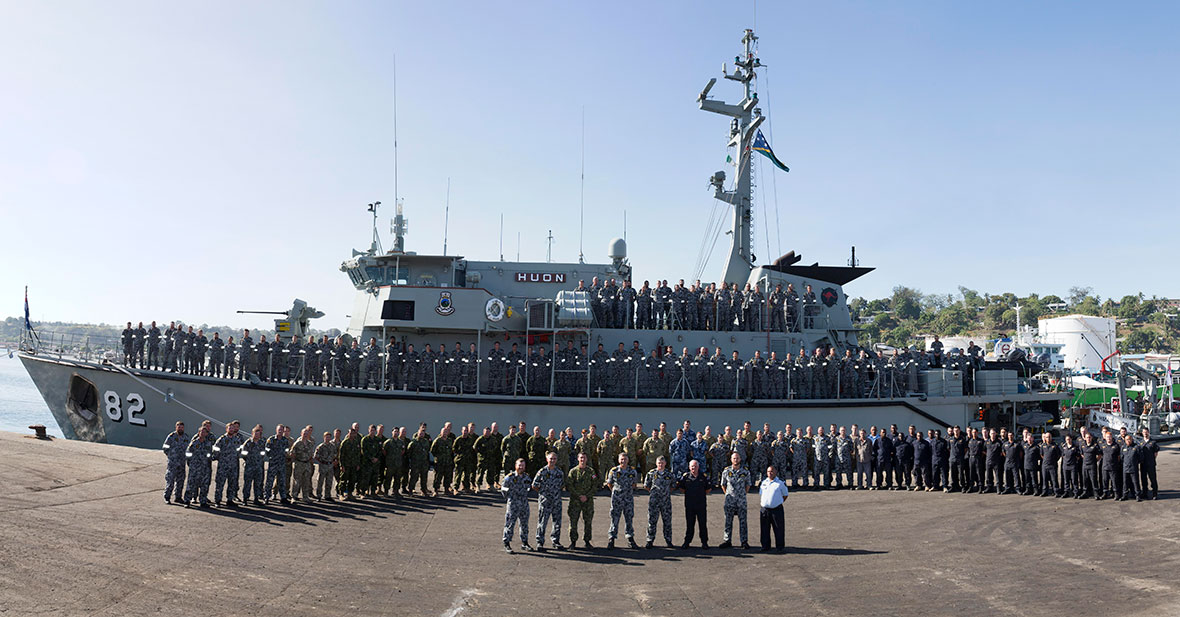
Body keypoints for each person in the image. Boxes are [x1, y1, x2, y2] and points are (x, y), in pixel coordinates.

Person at [532, 452, 566, 551]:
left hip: (556, 501)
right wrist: (543, 493)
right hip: (545, 501)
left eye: (554, 459)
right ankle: (540, 542)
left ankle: (555, 541)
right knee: (542, 522)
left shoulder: (559, 472)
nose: (552, 461)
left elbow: (562, 485)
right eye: (551, 459)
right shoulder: (542, 471)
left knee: (557, 522)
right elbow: (534, 485)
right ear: (547, 459)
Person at [604, 452, 640, 549]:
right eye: (621, 459)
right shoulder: (614, 471)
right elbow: (609, 484)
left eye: (625, 459)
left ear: (628, 460)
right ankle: (611, 538)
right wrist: (616, 491)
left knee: (629, 518)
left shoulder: (632, 471)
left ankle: (630, 538)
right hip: (617, 499)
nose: (623, 461)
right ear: (618, 460)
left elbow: (634, 484)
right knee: (614, 518)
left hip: (628, 499)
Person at [501, 458, 534, 553]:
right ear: (515, 466)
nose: (521, 467)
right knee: (510, 524)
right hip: (513, 505)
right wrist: (510, 499)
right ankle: (507, 543)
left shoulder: (527, 478)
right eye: (519, 465)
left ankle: (525, 543)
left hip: (524, 504)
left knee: (524, 525)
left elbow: (529, 489)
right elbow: (503, 490)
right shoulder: (509, 477)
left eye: (523, 466)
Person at [719, 451, 751, 549]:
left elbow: (748, 485)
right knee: (728, 521)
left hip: (741, 501)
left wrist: (742, 494)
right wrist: (728, 494)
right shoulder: (726, 471)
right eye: (734, 458)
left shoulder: (745, 471)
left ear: (740, 459)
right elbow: (723, 484)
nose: (736, 460)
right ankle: (727, 540)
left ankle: (744, 541)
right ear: (731, 460)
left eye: (737, 458)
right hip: (730, 501)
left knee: (743, 522)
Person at [643, 456, 676, 549]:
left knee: (667, 521)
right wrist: (654, 493)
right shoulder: (651, 473)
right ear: (656, 463)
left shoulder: (669, 474)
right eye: (659, 463)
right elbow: (646, 485)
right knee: (652, 521)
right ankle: (650, 540)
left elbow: (673, 486)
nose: (660, 465)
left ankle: (668, 540)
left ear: (665, 463)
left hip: (666, 501)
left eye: (662, 463)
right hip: (654, 501)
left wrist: (665, 492)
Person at [567, 452, 597, 549]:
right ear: (578, 459)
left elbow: (595, 484)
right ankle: (573, 542)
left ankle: (587, 541)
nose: (582, 460)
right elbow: (569, 485)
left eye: (584, 458)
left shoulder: (591, 471)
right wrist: (579, 495)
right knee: (573, 521)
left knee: (588, 521)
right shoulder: (573, 471)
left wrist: (587, 496)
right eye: (581, 458)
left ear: (587, 459)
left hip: (588, 501)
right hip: (575, 500)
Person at [678, 459, 710, 548]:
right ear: (689, 467)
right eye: (692, 466)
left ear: (698, 467)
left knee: (702, 524)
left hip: (701, 504)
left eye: (695, 466)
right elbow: (681, 488)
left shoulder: (703, 476)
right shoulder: (685, 477)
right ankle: (687, 542)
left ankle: (704, 542)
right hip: (690, 505)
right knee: (690, 524)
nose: (694, 468)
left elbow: (708, 489)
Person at [211, 420, 245, 506]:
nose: (231, 430)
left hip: (233, 465)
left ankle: (230, 500)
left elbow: (240, 449)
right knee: (220, 484)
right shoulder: (222, 439)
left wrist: (238, 456)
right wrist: (218, 458)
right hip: (223, 465)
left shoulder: (237, 439)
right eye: (230, 428)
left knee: (232, 483)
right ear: (226, 429)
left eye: (233, 428)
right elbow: (215, 449)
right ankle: (217, 500)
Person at [758, 465, 789, 552]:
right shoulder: (763, 482)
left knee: (778, 529)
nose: (770, 473)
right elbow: (761, 494)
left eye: (772, 471)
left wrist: (777, 502)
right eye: (768, 471)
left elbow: (785, 495)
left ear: (776, 472)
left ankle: (779, 547)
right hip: (765, 510)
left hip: (776, 509)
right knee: (764, 529)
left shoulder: (780, 483)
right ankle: (765, 546)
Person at [239, 424, 266, 505]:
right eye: (255, 433)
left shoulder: (261, 443)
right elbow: (243, 454)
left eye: (258, 434)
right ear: (252, 433)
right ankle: (245, 499)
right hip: (249, 467)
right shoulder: (248, 443)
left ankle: (256, 499)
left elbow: (263, 453)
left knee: (257, 483)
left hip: (258, 466)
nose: (256, 435)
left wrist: (258, 460)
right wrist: (249, 461)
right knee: (247, 483)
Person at [161, 421, 188, 504]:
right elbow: (165, 447)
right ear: (176, 427)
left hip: (182, 463)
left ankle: (178, 497)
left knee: (180, 481)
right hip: (173, 463)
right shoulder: (171, 436)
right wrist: (171, 456)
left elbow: (188, 448)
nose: (180, 429)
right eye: (179, 427)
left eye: (182, 427)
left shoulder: (186, 437)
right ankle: (167, 497)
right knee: (170, 481)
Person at [264, 424, 291, 504]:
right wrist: (272, 457)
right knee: (269, 482)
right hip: (273, 464)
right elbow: (267, 450)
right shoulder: (271, 439)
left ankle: (283, 497)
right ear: (276, 430)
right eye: (279, 430)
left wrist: (285, 456)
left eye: (282, 430)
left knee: (282, 481)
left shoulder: (285, 440)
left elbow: (287, 450)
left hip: (282, 464)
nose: (280, 431)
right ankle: (266, 497)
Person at [290, 425, 317, 503]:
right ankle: (294, 497)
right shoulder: (297, 443)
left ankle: (305, 497)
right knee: (297, 481)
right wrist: (296, 461)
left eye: (306, 433)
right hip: (299, 464)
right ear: (301, 434)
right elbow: (292, 453)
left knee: (306, 481)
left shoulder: (310, 443)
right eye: (304, 433)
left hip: (307, 464)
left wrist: (310, 461)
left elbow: (311, 453)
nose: (305, 434)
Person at [314, 431, 338, 501]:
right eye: (326, 437)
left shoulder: (332, 446)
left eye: (329, 437)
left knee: (329, 481)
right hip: (323, 465)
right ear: (324, 437)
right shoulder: (321, 446)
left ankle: (327, 495)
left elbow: (335, 454)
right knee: (320, 481)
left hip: (330, 466)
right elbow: (316, 456)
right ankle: (319, 496)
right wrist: (322, 461)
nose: (328, 438)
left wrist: (334, 461)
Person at [1138, 427, 1159, 500]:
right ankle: (1145, 493)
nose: (1145, 433)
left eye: (1146, 432)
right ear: (1142, 433)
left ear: (1148, 432)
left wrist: (1151, 460)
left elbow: (1156, 453)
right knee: (1143, 479)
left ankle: (1155, 493)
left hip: (1151, 464)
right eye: (1144, 432)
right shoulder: (1140, 442)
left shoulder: (1153, 442)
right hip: (1143, 464)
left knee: (1153, 479)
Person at [1120, 434, 1142, 502]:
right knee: (1125, 483)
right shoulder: (1123, 447)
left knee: (1135, 482)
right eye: (1127, 439)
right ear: (1125, 440)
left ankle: (1138, 495)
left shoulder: (1136, 447)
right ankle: (1125, 495)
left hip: (1133, 468)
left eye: (1129, 439)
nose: (1128, 441)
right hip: (1125, 468)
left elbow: (1140, 457)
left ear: (1132, 439)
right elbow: (1122, 457)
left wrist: (1135, 463)